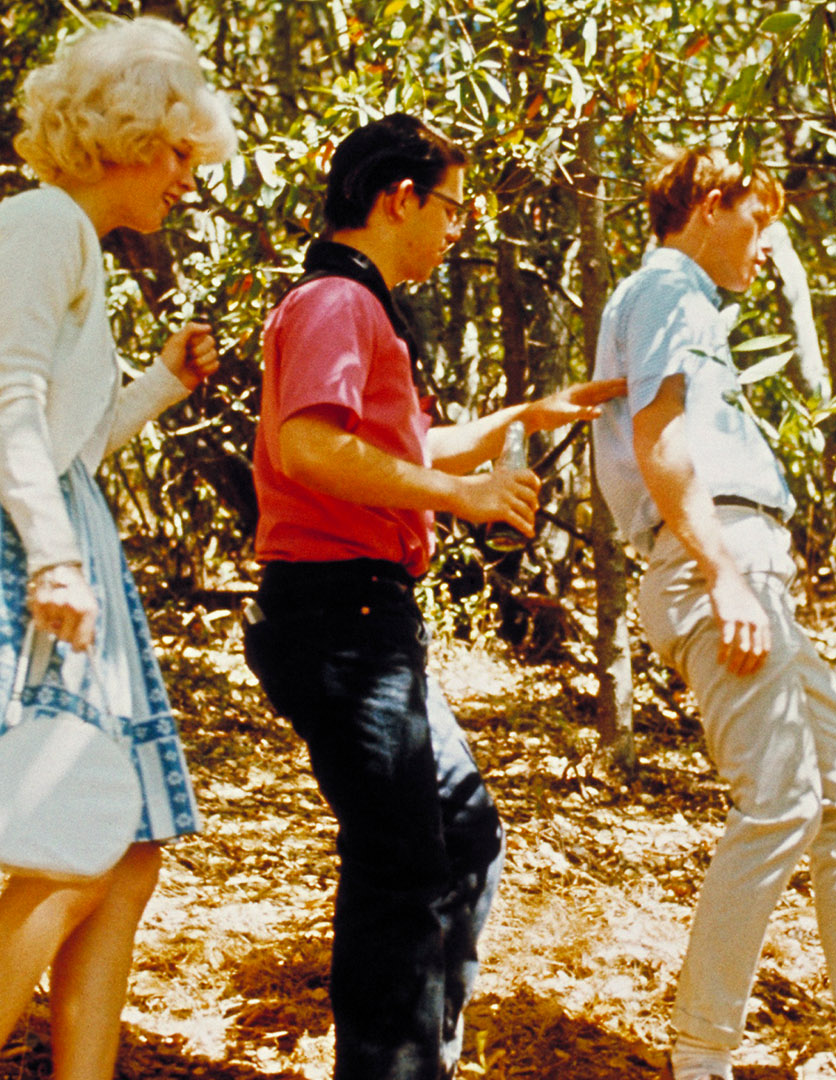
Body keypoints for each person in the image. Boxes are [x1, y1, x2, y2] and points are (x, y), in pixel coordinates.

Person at [0, 17, 235, 1080]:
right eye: (177, 150)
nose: (184, 178)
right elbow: (3, 402)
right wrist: (55, 560)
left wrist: (157, 386)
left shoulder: (72, 246)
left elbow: (62, 437)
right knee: (77, 846)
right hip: (6, 544)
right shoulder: (40, 225)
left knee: (126, 851)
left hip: (48, 529)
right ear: (127, 137)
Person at [241, 112, 624, 1080]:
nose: (457, 228)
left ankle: (422, 1060)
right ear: (397, 198)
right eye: (450, 206)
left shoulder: (359, 308)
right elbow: (309, 447)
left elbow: (400, 446)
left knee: (461, 839)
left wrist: (517, 421)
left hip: (369, 620)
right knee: (404, 872)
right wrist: (461, 496)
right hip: (341, 620)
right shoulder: (335, 301)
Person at [590, 146, 836, 1080]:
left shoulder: (677, 299)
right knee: (781, 802)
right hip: (718, 559)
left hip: (741, 556)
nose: (765, 243)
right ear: (708, 205)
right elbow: (660, 440)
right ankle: (702, 1052)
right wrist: (723, 575)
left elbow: (654, 420)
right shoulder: (668, 286)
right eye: (755, 220)